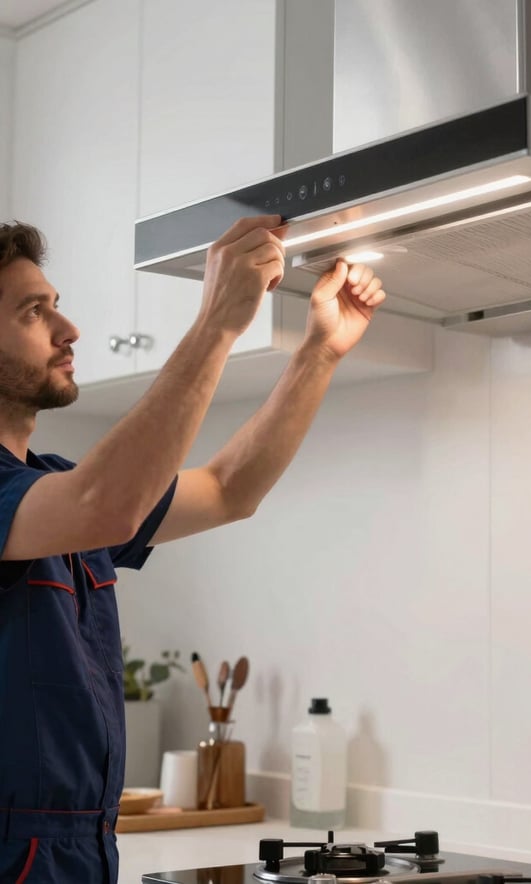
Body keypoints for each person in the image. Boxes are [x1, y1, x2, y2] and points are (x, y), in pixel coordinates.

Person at [0, 216, 385, 884]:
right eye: (35, 312)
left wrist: (320, 351)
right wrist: (217, 323)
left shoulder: (52, 488)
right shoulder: (68, 501)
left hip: (82, 851)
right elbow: (105, 503)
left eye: (57, 305)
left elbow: (230, 489)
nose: (69, 331)